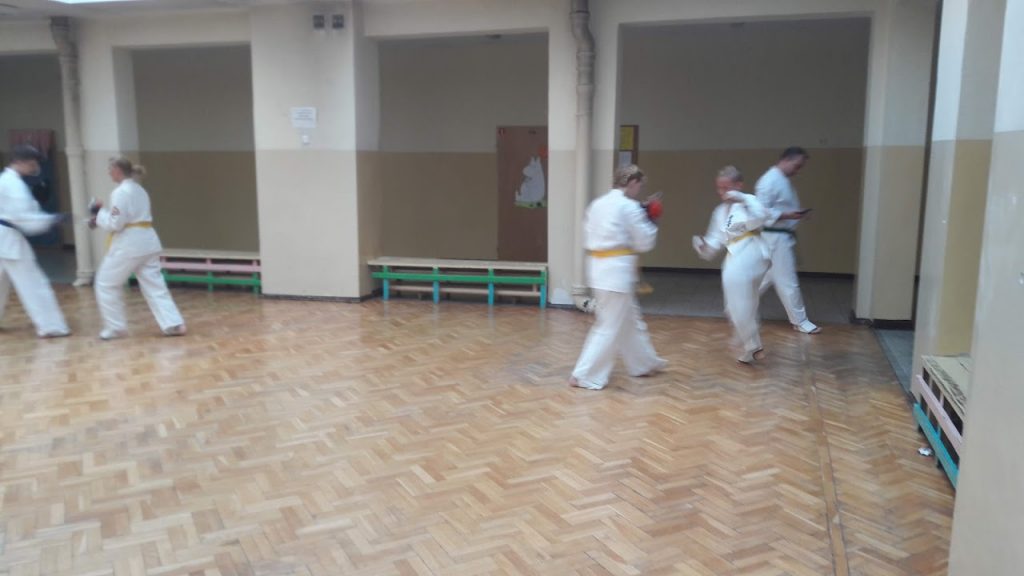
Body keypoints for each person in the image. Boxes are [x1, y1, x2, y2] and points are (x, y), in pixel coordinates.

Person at [569, 164, 666, 390]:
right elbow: (645, 242)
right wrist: (652, 218)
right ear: (632, 182)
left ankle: (643, 363)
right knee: (608, 326)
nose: (639, 190)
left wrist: (641, 211)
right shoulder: (628, 207)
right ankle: (582, 374)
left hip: (599, 270)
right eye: (639, 185)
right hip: (615, 275)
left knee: (630, 320)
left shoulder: (598, 204)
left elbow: (595, 233)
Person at [90, 156, 185, 340]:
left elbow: (116, 224)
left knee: (105, 283)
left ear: (117, 170)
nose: (108, 173)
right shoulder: (140, 190)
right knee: (154, 285)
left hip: (129, 245)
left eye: (110, 169)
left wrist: (99, 212)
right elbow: (125, 218)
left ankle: (116, 328)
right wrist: (100, 216)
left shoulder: (120, 192)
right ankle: (173, 324)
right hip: (148, 242)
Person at [693, 166, 771, 364]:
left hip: (751, 252)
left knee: (737, 304)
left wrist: (742, 199)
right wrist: (704, 246)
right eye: (719, 188)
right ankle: (750, 348)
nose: (723, 192)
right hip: (735, 254)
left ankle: (753, 344)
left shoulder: (749, 201)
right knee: (739, 306)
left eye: (727, 187)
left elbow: (762, 217)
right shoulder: (719, 211)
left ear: (739, 185)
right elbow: (715, 241)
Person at [0, 144, 71, 338]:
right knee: (33, 284)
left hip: (4, 238)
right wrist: (52, 219)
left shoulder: (6, 180)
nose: (35, 168)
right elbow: (24, 217)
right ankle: (52, 326)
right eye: (32, 163)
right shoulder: (12, 184)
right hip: (9, 240)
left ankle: (51, 325)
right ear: (20, 162)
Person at [755, 146, 820, 334]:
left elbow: (782, 208)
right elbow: (760, 213)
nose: (797, 171)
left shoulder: (782, 180)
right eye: (797, 166)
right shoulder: (768, 181)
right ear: (786, 160)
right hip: (775, 237)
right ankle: (800, 321)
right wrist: (788, 215)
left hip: (781, 236)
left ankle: (737, 308)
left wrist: (797, 215)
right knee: (788, 281)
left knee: (765, 278)